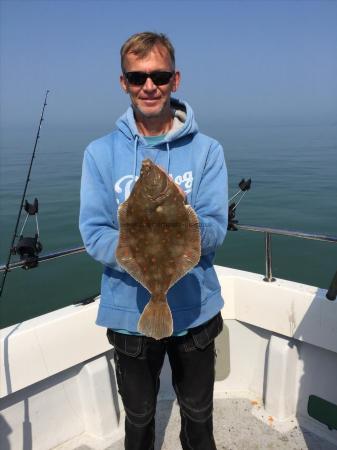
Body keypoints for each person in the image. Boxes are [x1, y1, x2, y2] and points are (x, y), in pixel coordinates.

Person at [79, 31, 228, 450]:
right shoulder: (99, 153)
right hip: (129, 314)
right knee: (139, 418)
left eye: (159, 76)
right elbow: (94, 233)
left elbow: (215, 230)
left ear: (175, 80)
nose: (149, 86)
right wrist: (137, 248)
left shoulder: (208, 151)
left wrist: (187, 224)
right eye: (138, 76)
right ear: (123, 82)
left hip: (196, 311)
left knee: (199, 416)